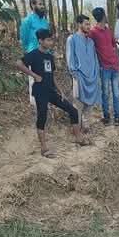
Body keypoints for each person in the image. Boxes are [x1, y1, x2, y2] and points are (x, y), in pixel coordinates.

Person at [15, 29, 88, 158]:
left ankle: (78, 137)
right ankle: (44, 148)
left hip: (51, 91)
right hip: (40, 91)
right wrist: (34, 75)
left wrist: (60, 91)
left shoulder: (49, 57)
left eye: (51, 40)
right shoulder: (34, 54)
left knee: (72, 110)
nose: (51, 42)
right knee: (42, 116)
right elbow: (19, 63)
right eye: (48, 40)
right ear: (40, 41)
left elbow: (52, 76)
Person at [65, 15, 101, 134]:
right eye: (86, 24)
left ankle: (86, 125)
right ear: (79, 24)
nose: (89, 26)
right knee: (78, 103)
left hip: (92, 76)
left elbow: (95, 58)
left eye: (89, 24)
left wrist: (96, 73)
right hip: (79, 76)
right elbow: (70, 58)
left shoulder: (90, 41)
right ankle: (77, 128)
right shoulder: (72, 39)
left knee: (89, 104)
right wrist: (74, 74)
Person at [89, 7, 119, 126]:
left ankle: (117, 117)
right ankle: (106, 116)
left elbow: (114, 44)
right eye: (105, 15)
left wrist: (117, 58)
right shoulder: (93, 32)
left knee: (116, 93)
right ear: (103, 16)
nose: (107, 16)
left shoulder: (108, 30)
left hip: (115, 66)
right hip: (104, 67)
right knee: (106, 93)